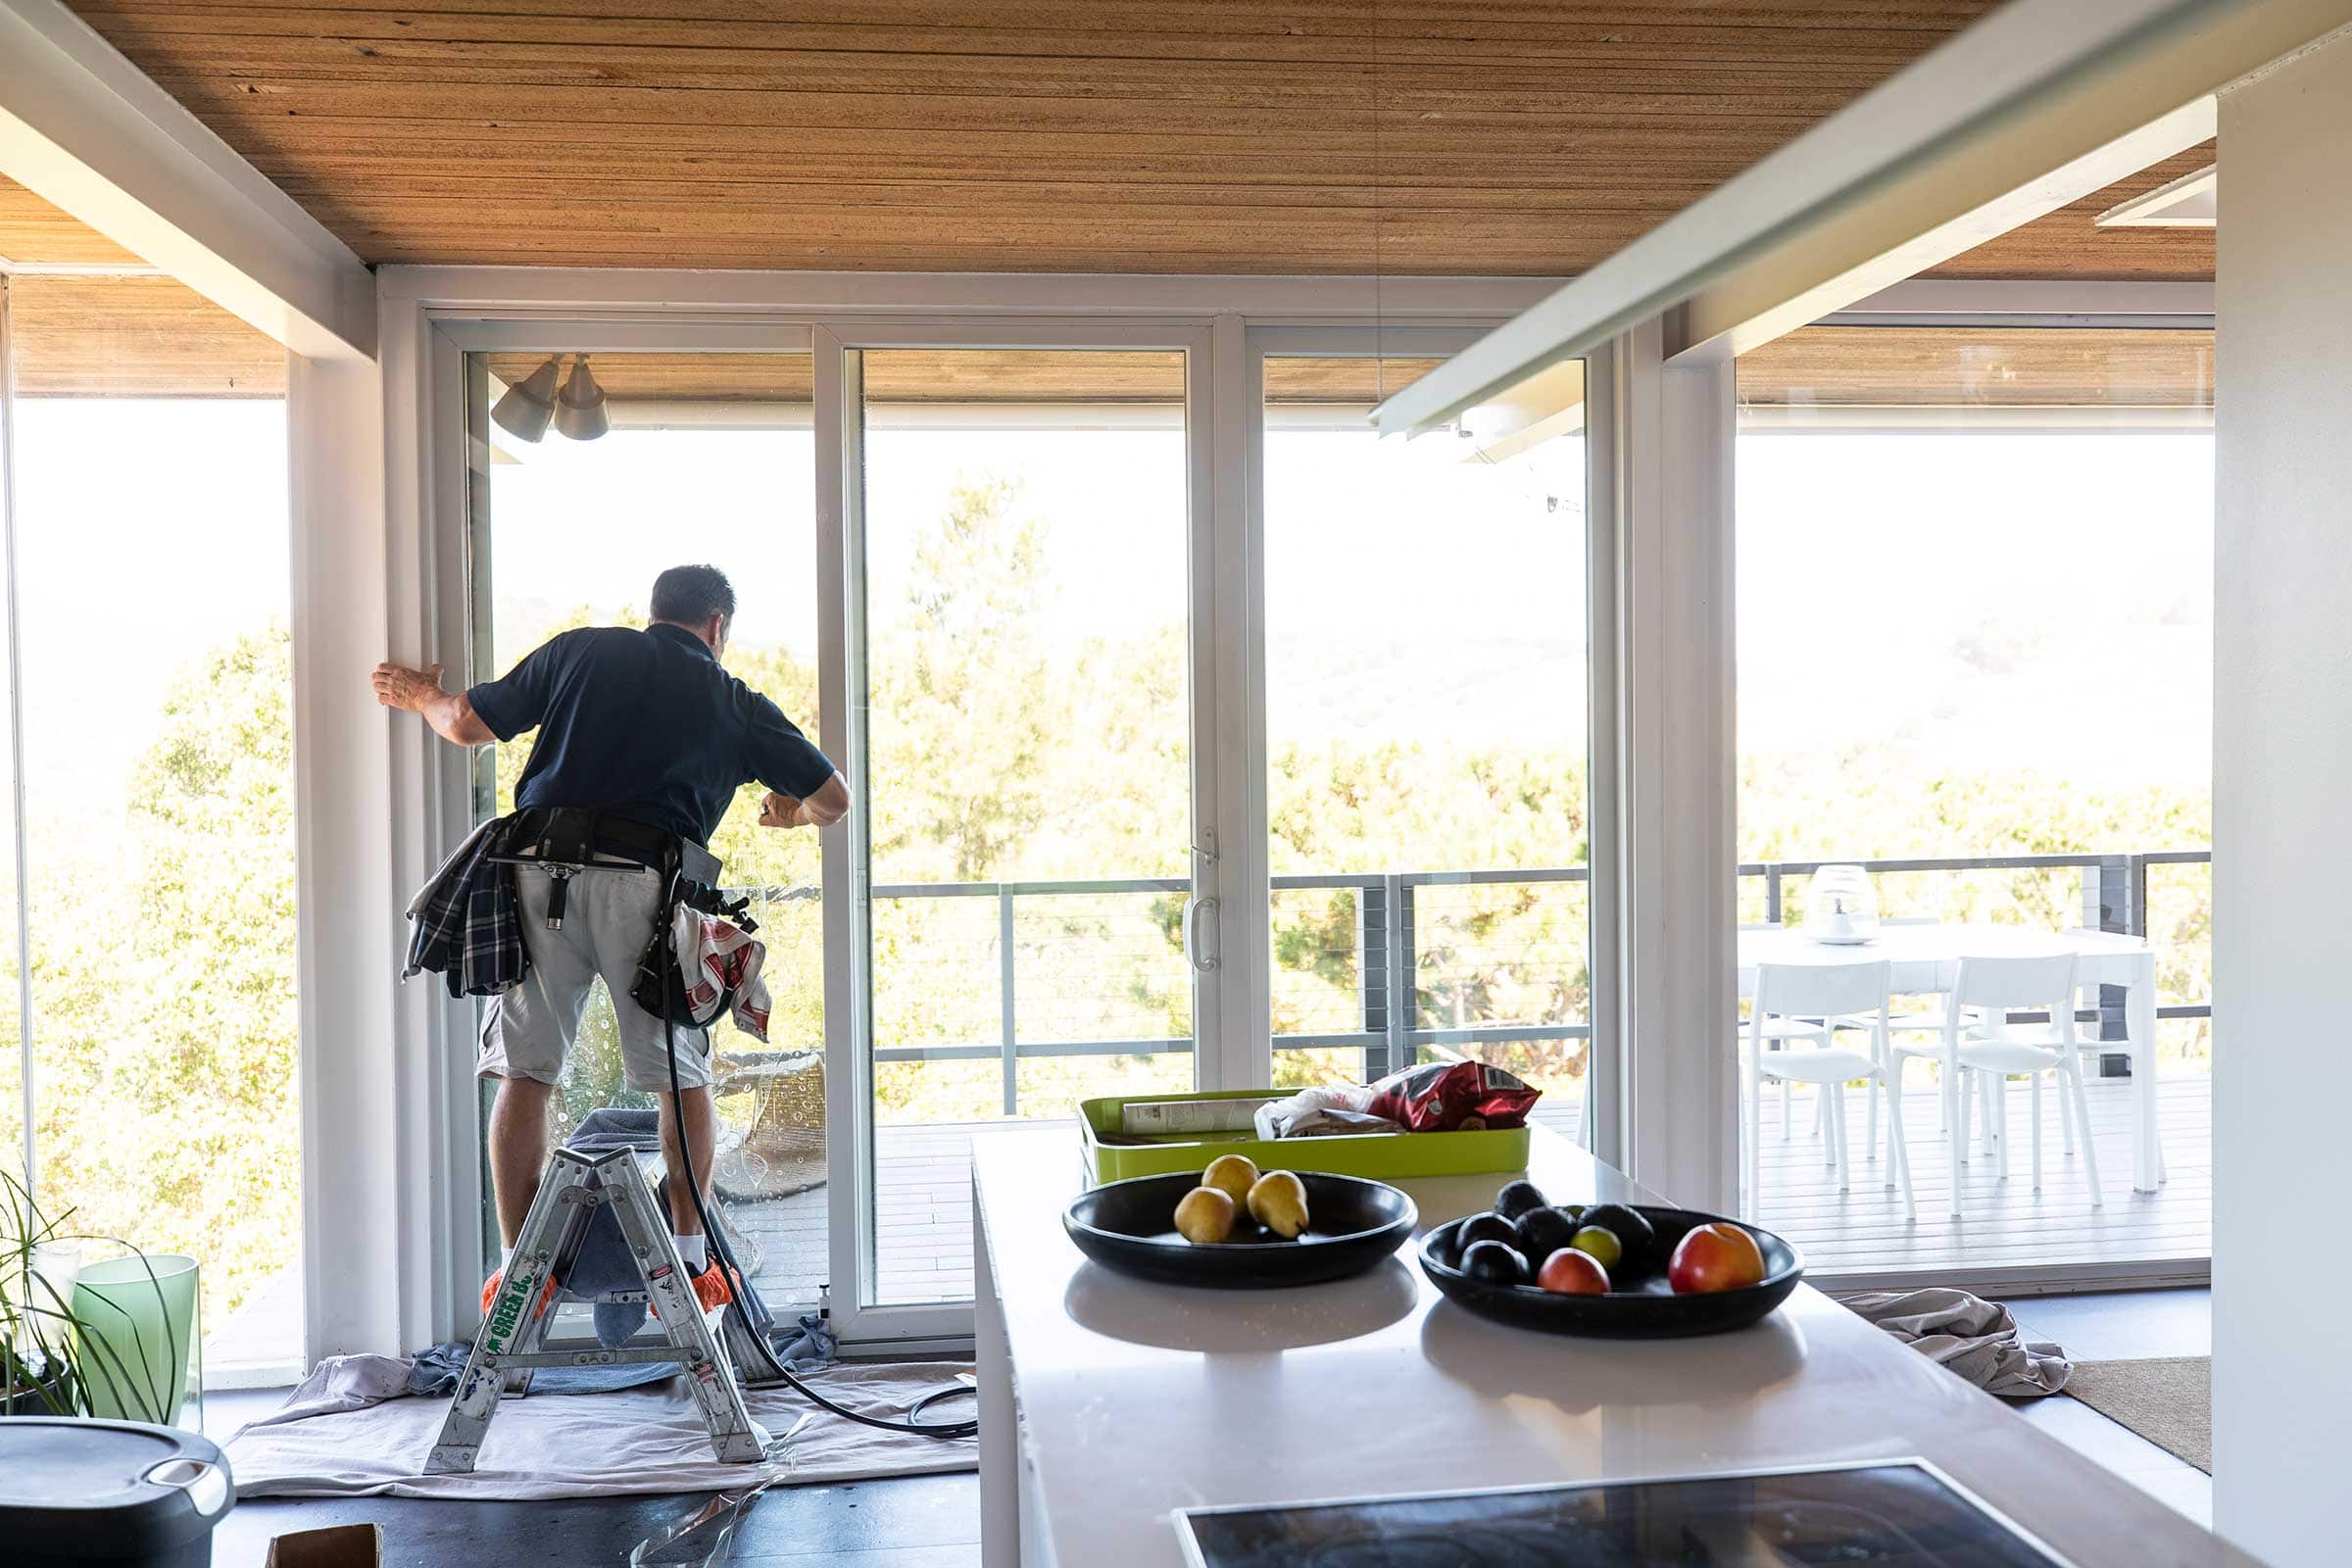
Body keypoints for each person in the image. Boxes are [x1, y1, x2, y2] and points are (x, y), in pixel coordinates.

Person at [372, 564, 849, 1314]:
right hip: (647, 886)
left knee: (526, 1074)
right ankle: (690, 1266)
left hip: (536, 872)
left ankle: (521, 1273)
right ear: (717, 629)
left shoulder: (582, 651)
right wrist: (791, 814)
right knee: (680, 1077)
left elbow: (463, 723)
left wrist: (419, 694)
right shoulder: (733, 700)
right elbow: (835, 800)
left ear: (653, 613)